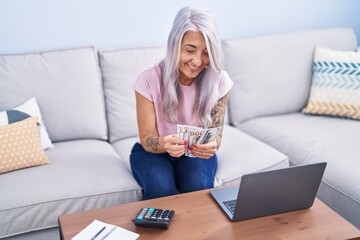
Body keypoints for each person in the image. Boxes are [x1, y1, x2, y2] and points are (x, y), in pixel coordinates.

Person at [130, 6, 233, 200]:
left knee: (199, 186)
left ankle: (198, 230)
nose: (197, 61)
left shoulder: (219, 80)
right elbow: (146, 138)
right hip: (153, 152)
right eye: (190, 50)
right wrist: (164, 144)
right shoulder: (148, 79)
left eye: (205, 52)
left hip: (195, 152)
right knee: (161, 187)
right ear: (174, 45)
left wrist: (212, 145)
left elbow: (216, 134)